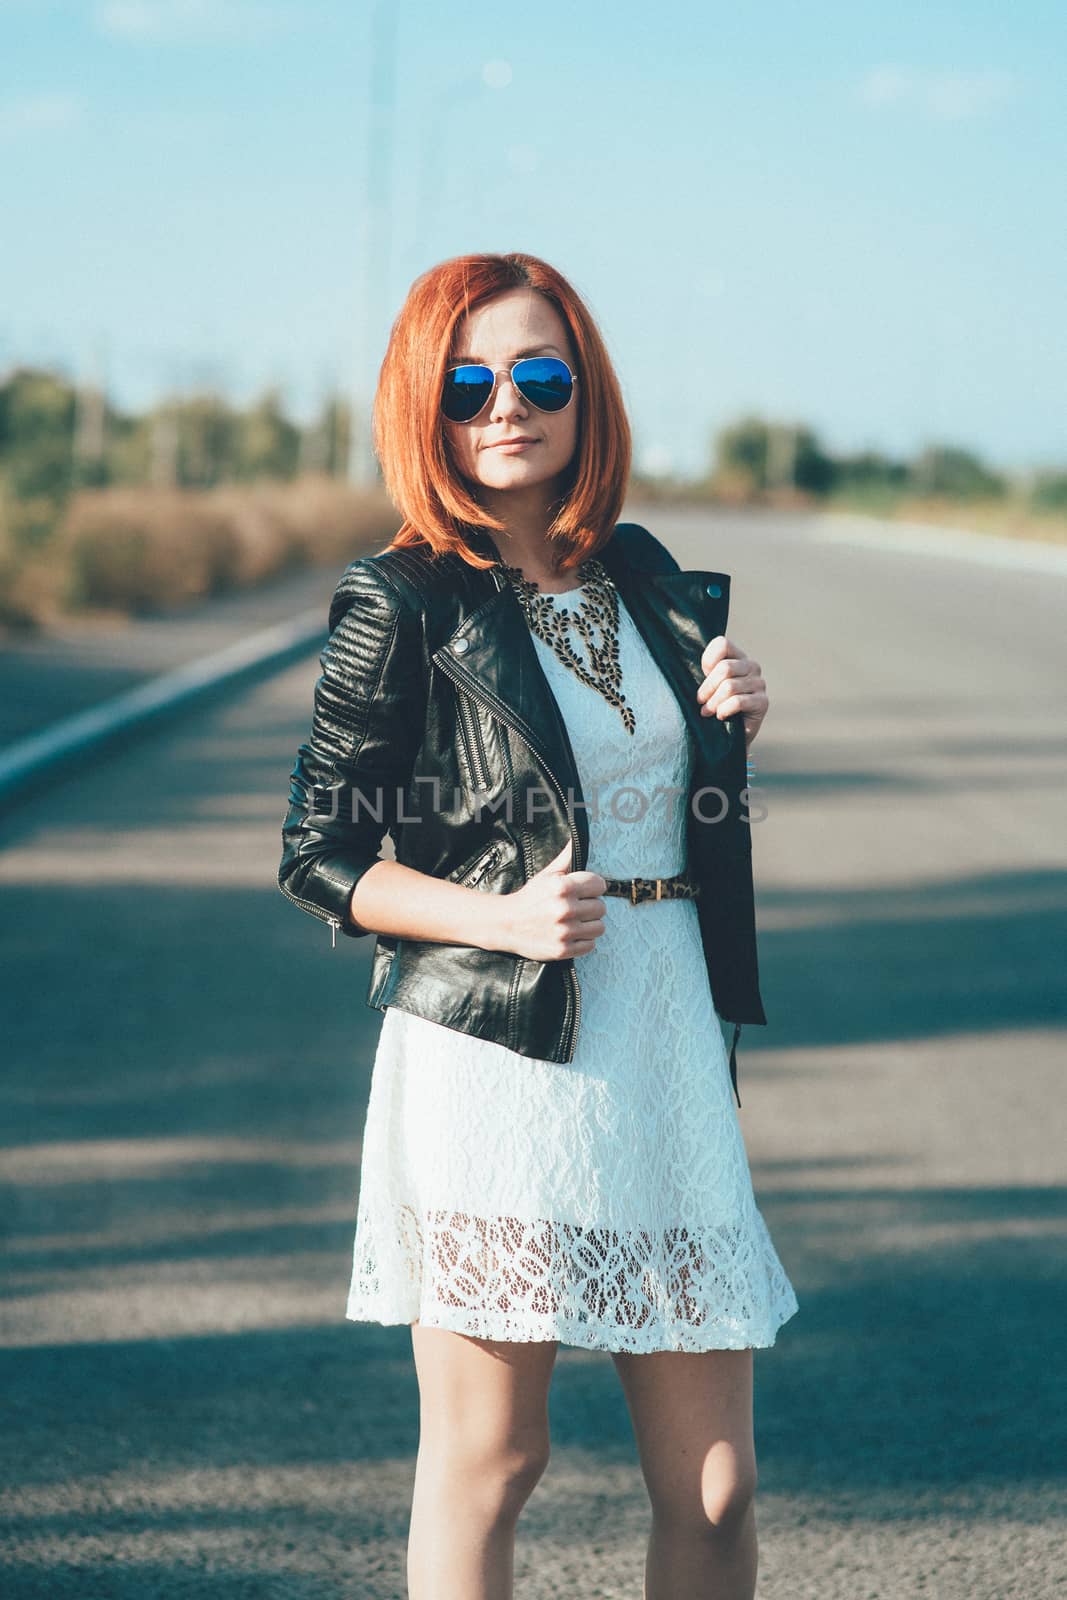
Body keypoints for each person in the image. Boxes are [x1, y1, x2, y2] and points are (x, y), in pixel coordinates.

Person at [278, 250, 799, 1600]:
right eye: (468, 382)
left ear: (584, 398)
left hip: (665, 1043)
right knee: (492, 1460)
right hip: (496, 1054)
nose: (505, 404)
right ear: (425, 405)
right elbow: (321, 855)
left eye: (539, 374)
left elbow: (660, 806)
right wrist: (496, 919)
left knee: (717, 1486)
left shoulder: (648, 577)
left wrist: (730, 717)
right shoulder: (402, 601)